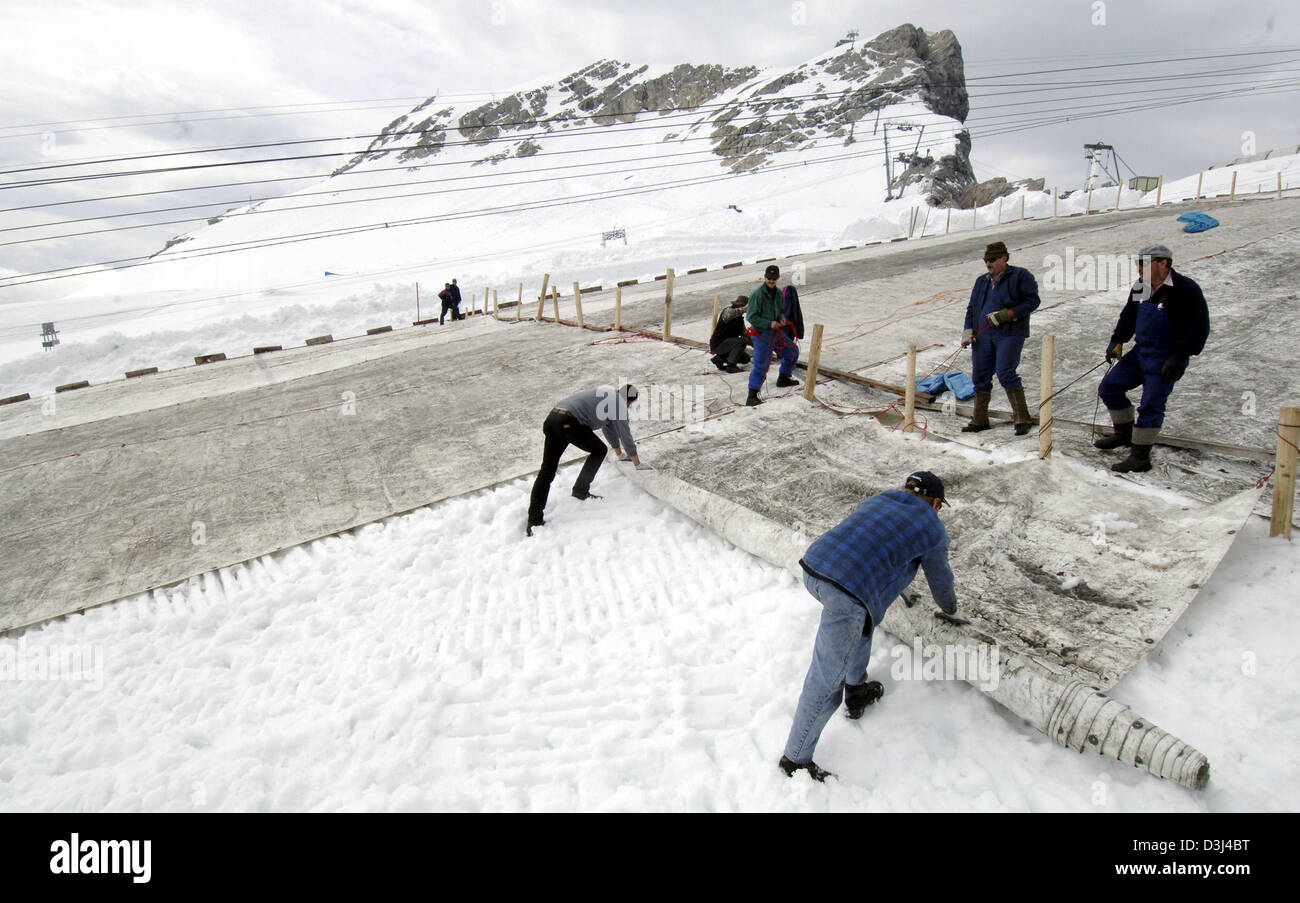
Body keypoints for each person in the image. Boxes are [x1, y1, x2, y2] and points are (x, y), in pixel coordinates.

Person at [780, 471, 957, 782]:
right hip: (845, 590)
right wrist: (950, 609)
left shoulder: (882, 498)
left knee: (862, 620)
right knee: (826, 681)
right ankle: (795, 759)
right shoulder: (931, 526)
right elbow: (940, 580)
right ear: (936, 503)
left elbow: (870, 543)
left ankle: (857, 688)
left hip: (816, 566)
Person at [1095, 244, 1210, 473]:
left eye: (1145, 263)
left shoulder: (1185, 289)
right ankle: (1125, 434)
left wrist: (1180, 356)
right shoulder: (1142, 287)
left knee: (1150, 405)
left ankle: (1140, 456)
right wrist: (1117, 340)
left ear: (1164, 264)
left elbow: (1200, 328)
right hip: (1141, 352)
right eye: (1138, 263)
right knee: (1109, 387)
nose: (1139, 268)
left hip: (1167, 357)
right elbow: (1128, 316)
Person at [526, 384, 643, 535]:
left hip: (553, 419)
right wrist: (637, 463)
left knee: (547, 470)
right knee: (599, 450)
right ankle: (580, 490)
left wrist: (619, 454)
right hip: (569, 422)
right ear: (628, 400)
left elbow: (609, 428)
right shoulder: (618, 404)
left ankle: (534, 520)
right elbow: (625, 435)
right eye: (630, 404)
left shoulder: (607, 396)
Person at [960, 241, 1040, 435]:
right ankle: (980, 419)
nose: (989, 264)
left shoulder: (1020, 276)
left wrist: (1009, 314)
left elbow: (1033, 301)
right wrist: (968, 329)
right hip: (983, 335)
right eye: (986, 260)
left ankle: (1022, 417)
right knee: (980, 375)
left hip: (1009, 333)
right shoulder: (981, 281)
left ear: (1004, 258)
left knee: (1005, 371)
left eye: (993, 260)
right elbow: (972, 308)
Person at [745, 265, 799, 406]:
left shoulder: (779, 294)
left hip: (775, 332)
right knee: (761, 364)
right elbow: (751, 316)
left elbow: (780, 310)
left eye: (774, 279)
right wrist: (769, 324)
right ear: (765, 277)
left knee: (792, 351)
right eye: (769, 278)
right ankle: (752, 395)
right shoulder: (757, 295)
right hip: (762, 334)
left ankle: (784, 377)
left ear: (777, 279)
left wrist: (780, 318)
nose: (771, 281)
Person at [709, 296, 752, 372]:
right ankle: (731, 366)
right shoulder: (728, 311)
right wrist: (745, 308)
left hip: (728, 345)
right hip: (719, 344)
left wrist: (759, 348)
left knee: (746, 359)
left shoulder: (739, 320)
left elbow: (746, 336)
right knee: (742, 341)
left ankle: (718, 359)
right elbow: (732, 313)